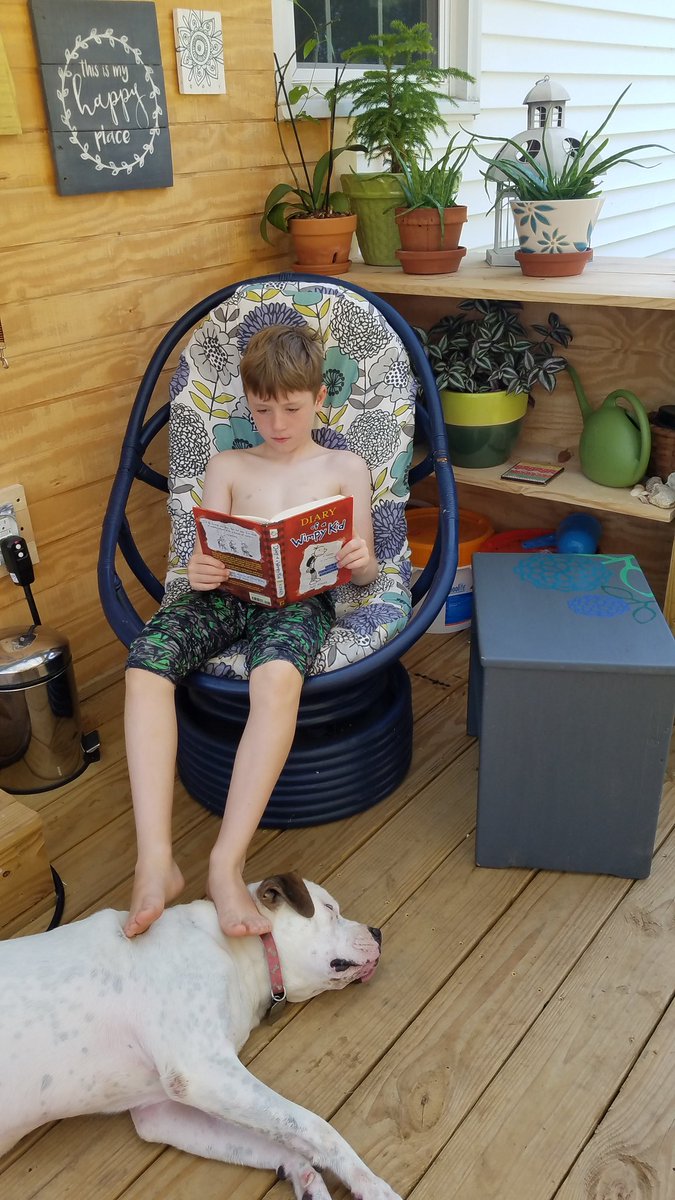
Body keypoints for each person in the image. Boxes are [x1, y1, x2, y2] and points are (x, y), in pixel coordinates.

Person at [123, 325, 378, 940]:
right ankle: (154, 858)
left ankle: (225, 864)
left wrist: (359, 560)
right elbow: (205, 552)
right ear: (246, 403)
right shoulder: (229, 465)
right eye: (262, 410)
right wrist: (200, 570)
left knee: (276, 680)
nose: (277, 424)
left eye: (291, 409)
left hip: (300, 601)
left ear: (320, 398)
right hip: (226, 597)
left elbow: (366, 566)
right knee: (145, 664)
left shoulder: (345, 467)